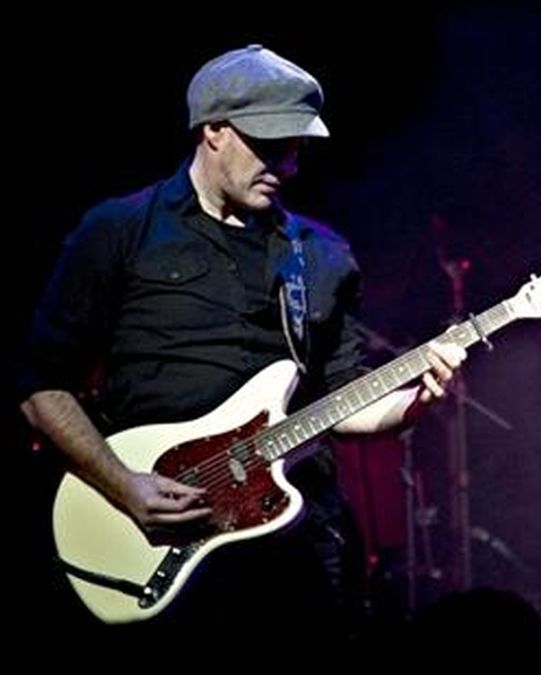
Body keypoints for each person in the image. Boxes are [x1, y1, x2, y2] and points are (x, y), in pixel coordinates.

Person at [18, 44, 464, 648]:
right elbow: (41, 385)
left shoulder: (323, 256)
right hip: (160, 523)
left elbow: (340, 400)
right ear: (214, 132)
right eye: (270, 144)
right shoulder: (120, 230)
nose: (287, 164)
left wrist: (416, 402)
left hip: (294, 534)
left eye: (296, 147)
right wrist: (123, 484)